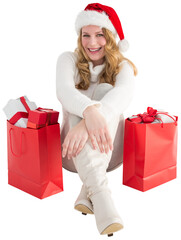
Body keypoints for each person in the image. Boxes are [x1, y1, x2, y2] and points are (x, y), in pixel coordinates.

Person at [56, 3, 137, 236]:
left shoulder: (123, 67)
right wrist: (87, 113)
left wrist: (87, 121)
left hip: (111, 150)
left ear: (110, 37)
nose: (92, 43)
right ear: (79, 36)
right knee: (77, 103)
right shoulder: (67, 60)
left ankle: (94, 193)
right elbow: (64, 91)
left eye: (100, 35)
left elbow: (122, 96)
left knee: (104, 92)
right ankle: (101, 197)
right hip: (70, 151)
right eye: (86, 35)